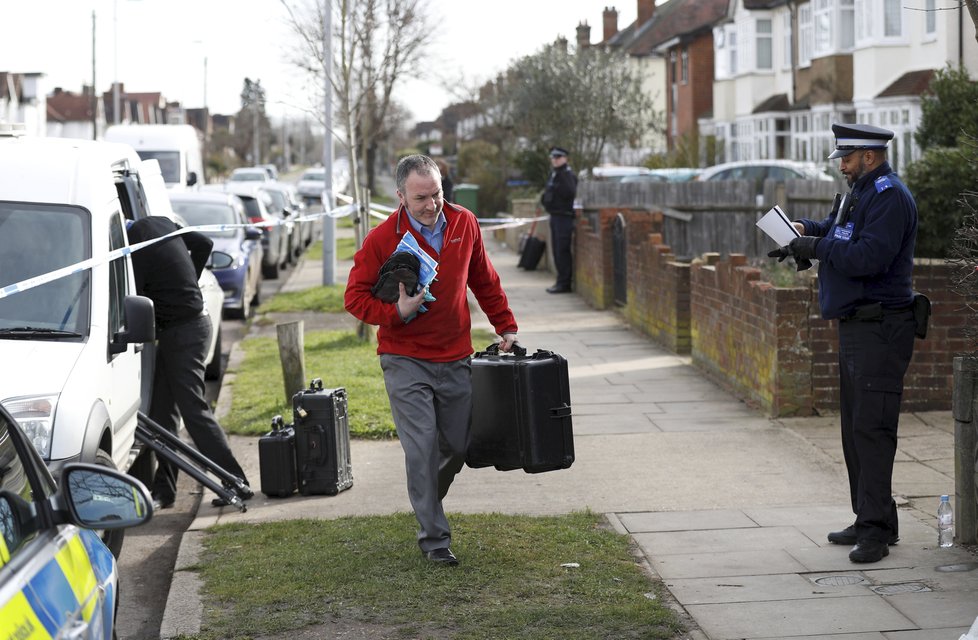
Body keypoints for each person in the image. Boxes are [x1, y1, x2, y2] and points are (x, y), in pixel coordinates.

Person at [345, 154, 518, 566]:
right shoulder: (382, 238)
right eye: (421, 197)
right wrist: (397, 313)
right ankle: (434, 538)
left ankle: (423, 496)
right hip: (404, 357)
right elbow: (354, 298)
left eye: (437, 193)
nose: (431, 204)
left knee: (457, 445)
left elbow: (484, 278)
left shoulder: (464, 222)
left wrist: (505, 324)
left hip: (456, 353)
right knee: (421, 446)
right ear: (400, 196)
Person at [767, 123, 919, 563]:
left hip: (881, 327)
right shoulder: (863, 192)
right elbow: (839, 233)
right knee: (855, 430)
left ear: (869, 156)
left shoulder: (888, 196)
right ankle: (871, 516)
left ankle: (875, 533)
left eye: (847, 159)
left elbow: (867, 257)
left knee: (872, 430)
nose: (843, 167)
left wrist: (812, 244)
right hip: (857, 326)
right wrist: (803, 228)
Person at [126, 216, 253, 511]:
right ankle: (165, 490)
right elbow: (204, 243)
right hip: (185, 328)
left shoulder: (134, 251)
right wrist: (190, 280)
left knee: (193, 411)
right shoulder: (158, 221)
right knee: (162, 414)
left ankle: (236, 481)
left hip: (186, 332)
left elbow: (135, 296)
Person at [540, 146, 578, 294]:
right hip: (555, 216)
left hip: (564, 217)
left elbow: (569, 192)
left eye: (558, 157)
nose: (555, 160)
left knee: (562, 250)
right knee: (556, 250)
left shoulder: (566, 174)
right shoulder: (554, 174)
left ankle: (564, 283)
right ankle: (560, 281)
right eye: (553, 158)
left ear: (565, 158)